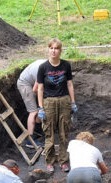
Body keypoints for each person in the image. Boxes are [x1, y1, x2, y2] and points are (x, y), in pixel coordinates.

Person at [37, 38, 77, 173]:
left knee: (64, 132)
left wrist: (73, 102)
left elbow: (70, 84)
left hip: (64, 101)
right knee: (49, 134)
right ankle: (50, 162)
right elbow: (40, 88)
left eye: (56, 48)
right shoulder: (43, 67)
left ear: (60, 51)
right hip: (49, 102)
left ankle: (64, 161)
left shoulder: (66, 65)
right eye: (51, 48)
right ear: (48, 49)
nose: (53, 51)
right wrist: (40, 107)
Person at [17, 58, 46, 148]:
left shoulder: (50, 66)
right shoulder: (43, 69)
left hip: (32, 83)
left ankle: (37, 130)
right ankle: (30, 140)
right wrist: (42, 103)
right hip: (24, 84)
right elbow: (35, 89)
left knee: (39, 108)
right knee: (33, 111)